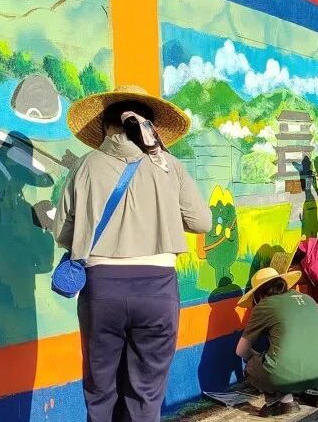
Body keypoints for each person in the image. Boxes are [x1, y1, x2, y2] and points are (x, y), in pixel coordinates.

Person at [54, 85, 212, 422]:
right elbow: (201, 222)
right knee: (146, 395)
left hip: (100, 288)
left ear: (106, 126)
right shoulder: (170, 166)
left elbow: (64, 233)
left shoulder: (84, 166)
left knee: (100, 391)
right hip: (158, 288)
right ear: (151, 127)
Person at [236, 268, 318, 417]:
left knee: (252, 367)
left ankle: (282, 402)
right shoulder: (307, 299)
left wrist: (259, 360)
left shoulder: (265, 305)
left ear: (258, 295)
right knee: (310, 351)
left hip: (285, 375)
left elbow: (241, 350)